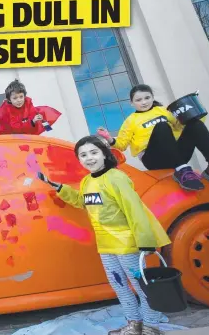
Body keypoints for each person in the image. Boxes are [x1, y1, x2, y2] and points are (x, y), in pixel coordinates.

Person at [37, 136, 171, 335]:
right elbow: (84, 202)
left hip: (127, 243)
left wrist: (145, 241)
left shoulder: (116, 178)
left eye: (93, 152)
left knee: (140, 286)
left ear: (104, 154)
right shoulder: (86, 182)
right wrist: (58, 187)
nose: (89, 158)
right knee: (119, 286)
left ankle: (151, 326)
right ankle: (134, 325)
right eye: (83, 155)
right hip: (106, 244)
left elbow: (134, 210)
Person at [97, 84, 209, 192]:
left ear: (152, 97)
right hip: (153, 159)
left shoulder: (163, 111)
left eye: (147, 98)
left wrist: (194, 114)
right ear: (132, 103)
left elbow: (180, 127)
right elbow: (121, 145)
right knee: (161, 126)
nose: (144, 102)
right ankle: (182, 170)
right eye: (138, 100)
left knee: (195, 124)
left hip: (176, 154)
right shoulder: (131, 121)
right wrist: (109, 138)